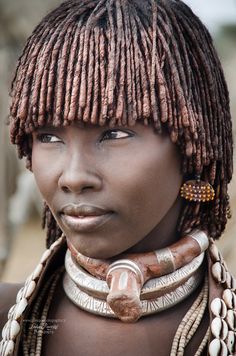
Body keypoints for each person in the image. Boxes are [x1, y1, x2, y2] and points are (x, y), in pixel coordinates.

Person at [0, 0, 235, 355]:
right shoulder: (8, 316)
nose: (73, 176)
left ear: (192, 144)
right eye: (48, 137)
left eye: (113, 134)